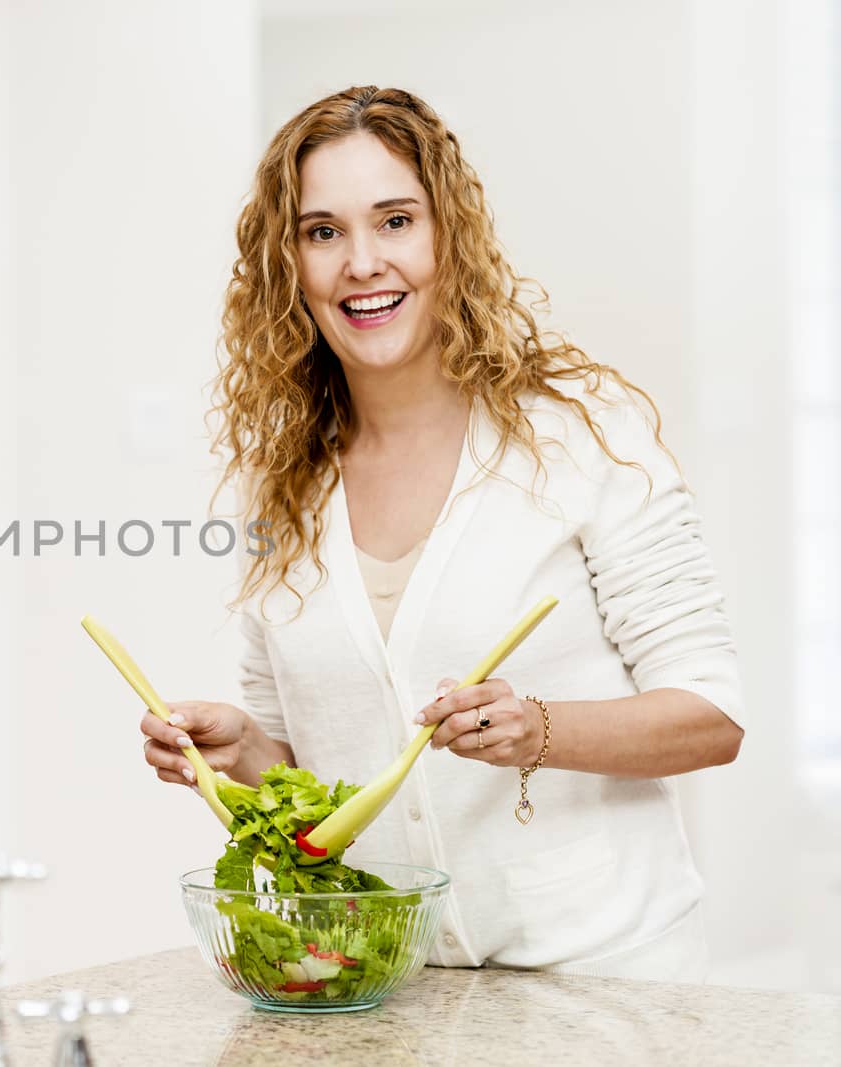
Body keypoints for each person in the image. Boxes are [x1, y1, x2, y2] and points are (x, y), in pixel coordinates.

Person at [140, 86, 744, 981]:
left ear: (445, 238)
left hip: (614, 990)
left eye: (394, 220)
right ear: (289, 265)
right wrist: (240, 753)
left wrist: (539, 728)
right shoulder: (287, 489)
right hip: (397, 990)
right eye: (322, 231)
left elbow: (712, 717)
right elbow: (314, 791)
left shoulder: (582, 434)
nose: (361, 262)